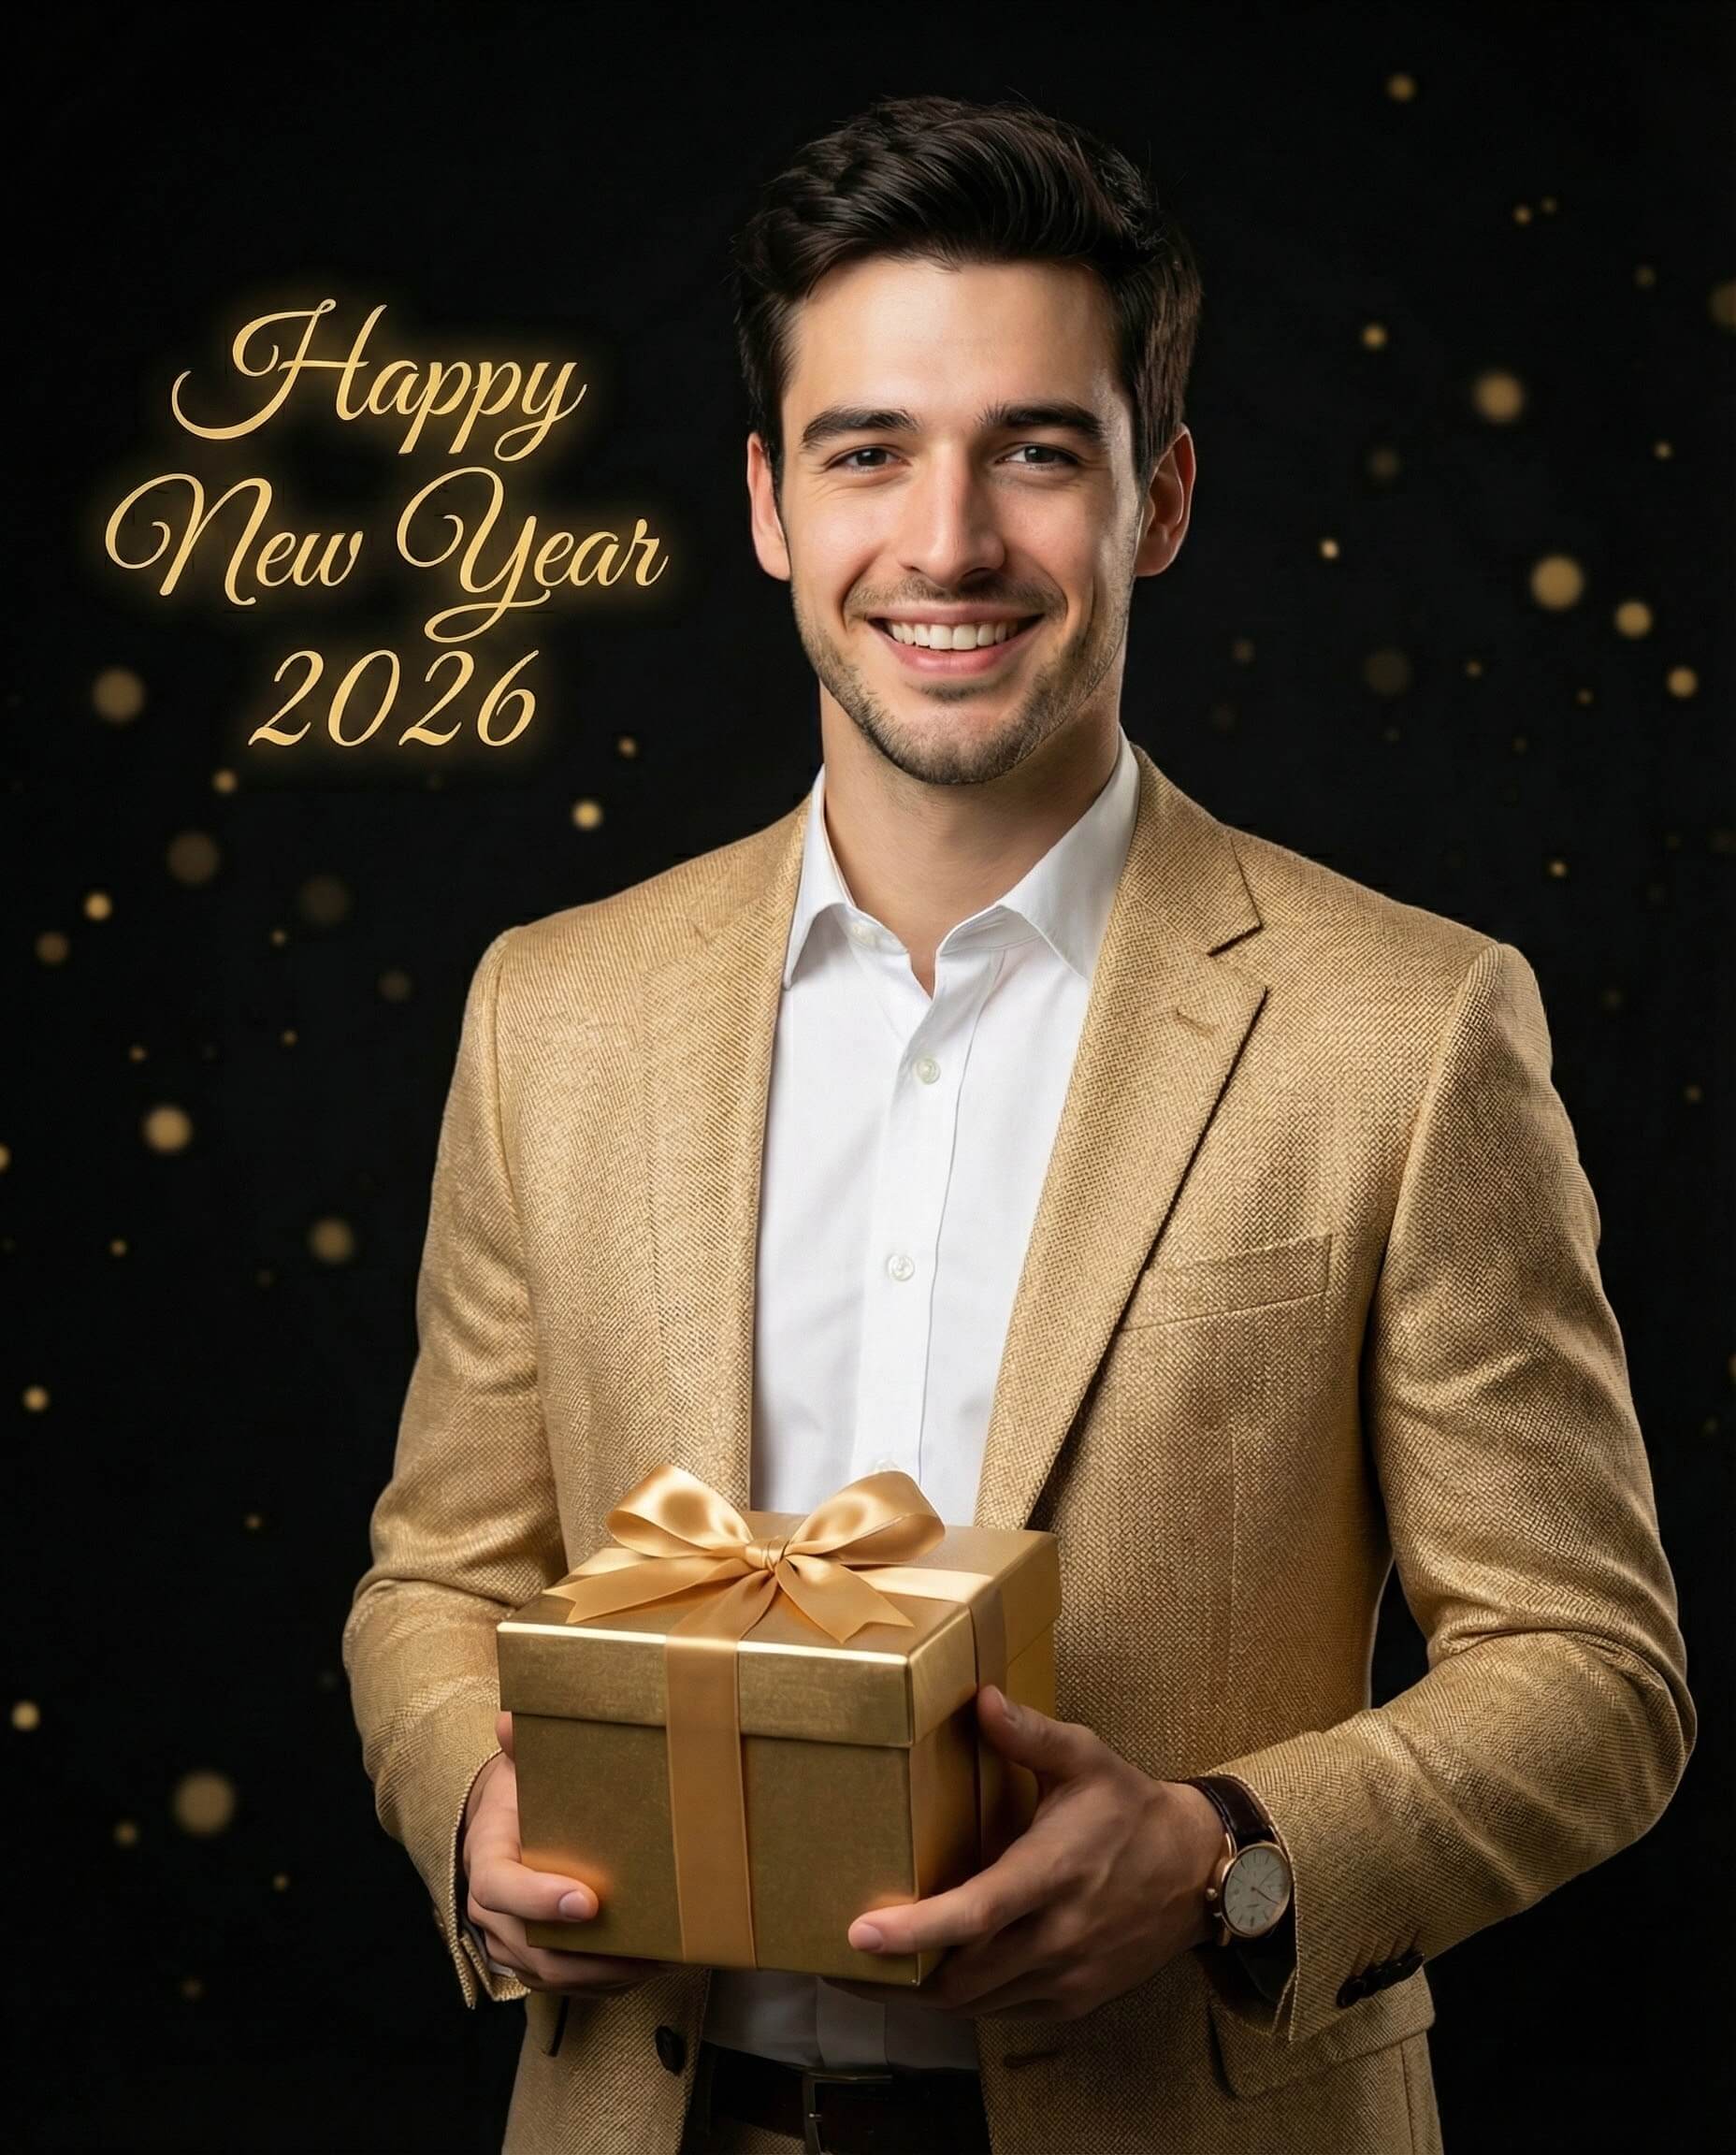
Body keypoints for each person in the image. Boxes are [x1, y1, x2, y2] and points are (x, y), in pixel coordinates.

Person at [342, 94, 1696, 2155]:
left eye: (1034, 452)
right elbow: (436, 1575)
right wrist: (473, 1800)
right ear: (770, 505)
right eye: (867, 450)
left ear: (1156, 498)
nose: (949, 540)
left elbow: (1594, 1672)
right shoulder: (554, 1013)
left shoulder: (1410, 1029)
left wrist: (1230, 1854)